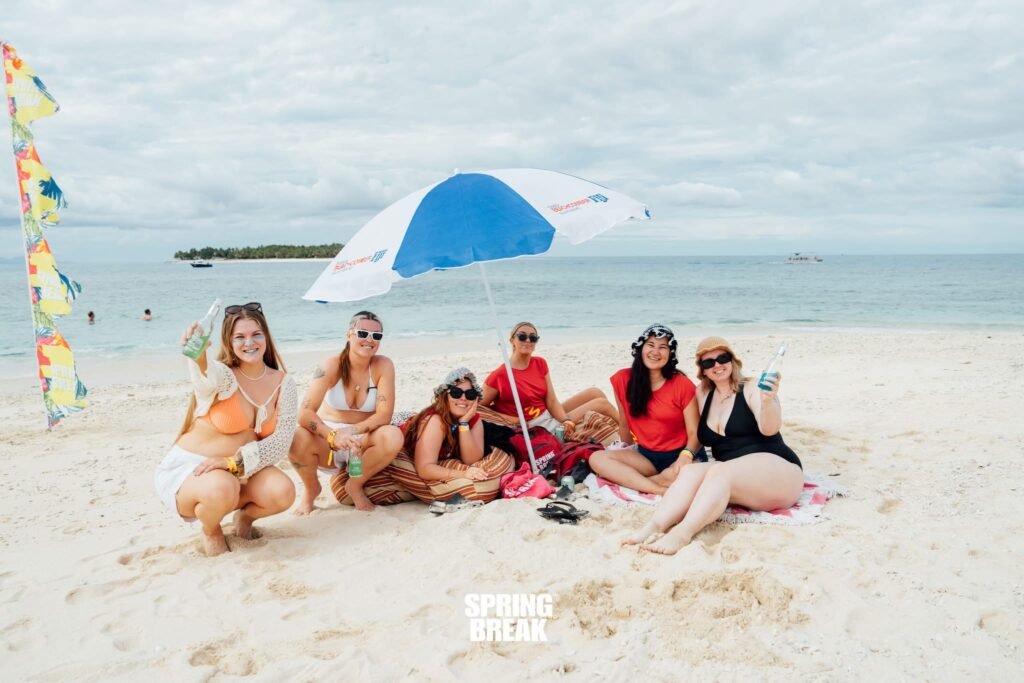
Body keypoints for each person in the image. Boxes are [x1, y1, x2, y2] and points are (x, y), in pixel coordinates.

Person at [626, 336, 804, 555]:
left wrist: (768, 402)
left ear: (733, 361)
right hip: (737, 476)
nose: (717, 365)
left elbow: (770, 428)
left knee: (720, 469)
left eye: (722, 358)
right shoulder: (703, 394)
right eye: (709, 362)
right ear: (703, 371)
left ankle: (683, 532)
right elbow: (677, 416)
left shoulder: (751, 388)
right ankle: (654, 525)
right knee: (690, 471)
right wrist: (682, 454)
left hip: (778, 470)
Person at [153, 302, 297, 557]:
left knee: (283, 492)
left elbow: (281, 442)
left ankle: (245, 518)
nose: (249, 343)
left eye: (256, 335)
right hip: (193, 469)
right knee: (223, 489)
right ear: (229, 342)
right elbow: (205, 372)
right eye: (239, 337)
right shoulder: (225, 377)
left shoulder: (284, 383)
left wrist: (232, 463)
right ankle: (211, 529)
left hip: (238, 469)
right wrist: (198, 352)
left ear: (266, 337)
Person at [289, 311, 403, 513]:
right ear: (349, 335)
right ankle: (311, 489)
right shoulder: (330, 366)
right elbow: (305, 414)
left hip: (362, 440)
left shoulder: (383, 365)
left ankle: (355, 485)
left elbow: (384, 415)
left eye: (376, 336)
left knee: (393, 435)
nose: (369, 340)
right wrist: (332, 436)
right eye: (362, 333)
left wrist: (352, 431)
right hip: (328, 441)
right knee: (297, 437)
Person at [588, 324, 701, 495]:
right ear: (640, 348)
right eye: (650, 345)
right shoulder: (622, 379)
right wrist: (623, 453)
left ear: (670, 354)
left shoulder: (682, 385)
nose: (655, 352)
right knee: (597, 459)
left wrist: (686, 456)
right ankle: (657, 488)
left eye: (663, 347)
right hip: (646, 457)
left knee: (686, 475)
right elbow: (624, 423)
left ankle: (641, 483)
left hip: (681, 455)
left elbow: (695, 434)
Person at [388, 368, 514, 504]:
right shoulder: (435, 421)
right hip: (399, 437)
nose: (463, 398)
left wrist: (464, 424)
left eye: (470, 394)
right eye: (456, 392)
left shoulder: (473, 419)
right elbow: (424, 468)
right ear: (445, 396)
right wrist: (463, 474)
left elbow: (471, 459)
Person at [481, 321, 618, 437]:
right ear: (512, 341)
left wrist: (565, 420)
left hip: (547, 412)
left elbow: (551, 400)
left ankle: (617, 430)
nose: (528, 340)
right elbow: (479, 408)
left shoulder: (539, 363)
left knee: (594, 392)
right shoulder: (500, 375)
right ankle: (630, 430)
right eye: (522, 336)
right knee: (602, 404)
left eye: (533, 338)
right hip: (536, 425)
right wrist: (512, 419)